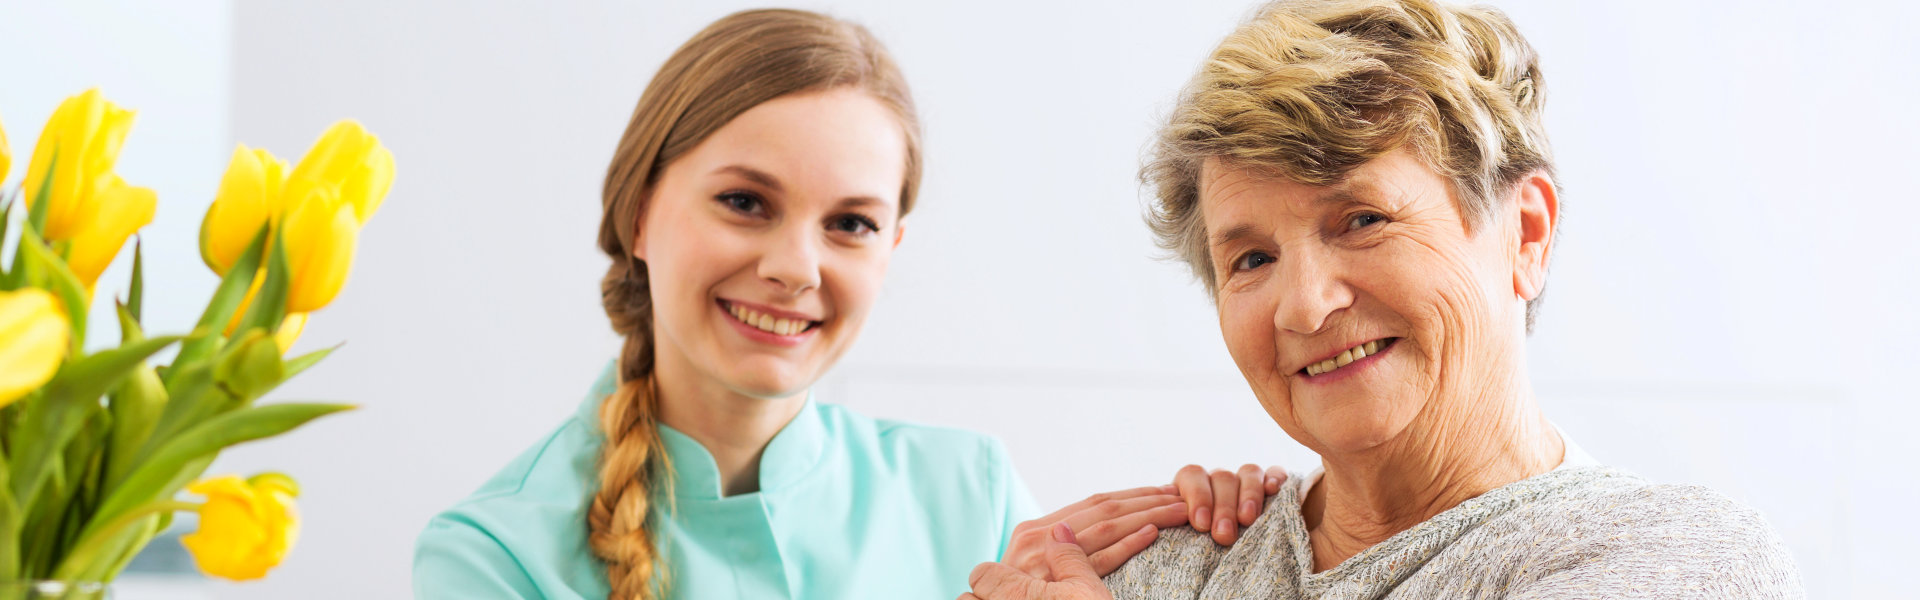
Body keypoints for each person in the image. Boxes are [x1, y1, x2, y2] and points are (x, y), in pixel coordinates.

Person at [412, 9, 1279, 599]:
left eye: (850, 223)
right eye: (745, 202)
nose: (795, 267)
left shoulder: (969, 494)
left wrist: (1225, 544)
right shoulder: (493, 555)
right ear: (639, 212)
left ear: (890, 249)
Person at [962, 1, 1804, 598]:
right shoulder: (1152, 565)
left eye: (1362, 218)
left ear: (1527, 234)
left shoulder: (1671, 560)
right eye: (1252, 257)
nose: (1304, 305)